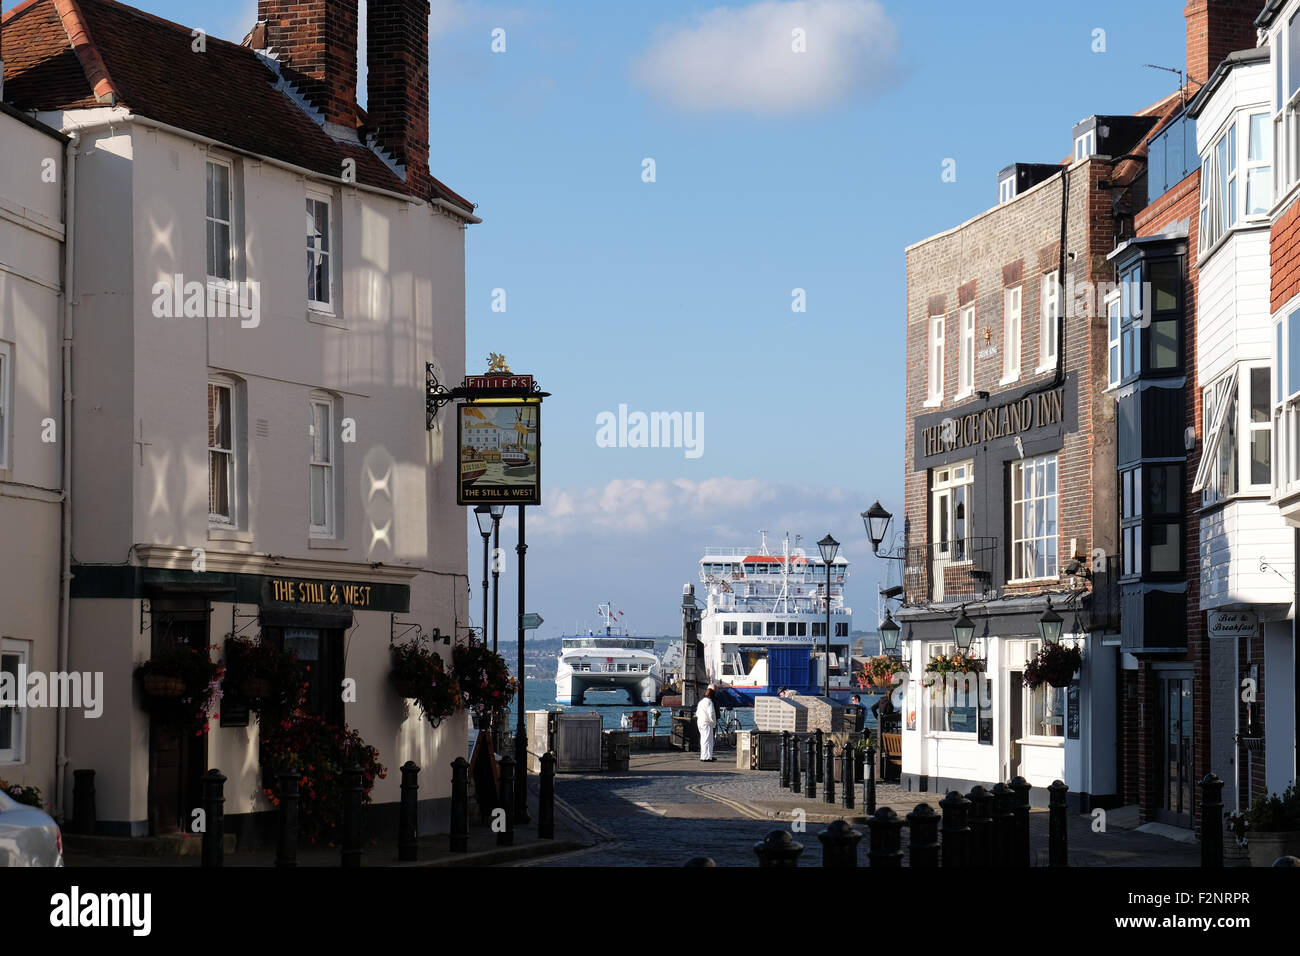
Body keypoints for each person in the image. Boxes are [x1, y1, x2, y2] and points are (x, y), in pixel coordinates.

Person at [696, 686, 718, 761]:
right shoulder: (709, 702)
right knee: (709, 740)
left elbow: (697, 713)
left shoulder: (701, 702)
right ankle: (708, 757)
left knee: (703, 740)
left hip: (700, 722)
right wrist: (714, 722)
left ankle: (703, 755)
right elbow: (711, 713)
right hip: (707, 723)